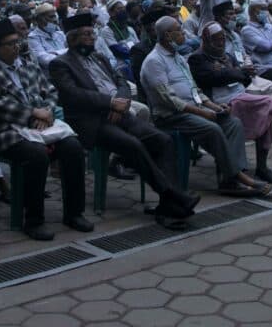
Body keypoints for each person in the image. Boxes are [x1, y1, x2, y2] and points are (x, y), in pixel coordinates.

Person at [49, 13, 199, 223]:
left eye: (93, 33)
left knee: (163, 140)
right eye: (86, 34)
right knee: (133, 145)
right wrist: (108, 103)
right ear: (73, 38)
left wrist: (121, 100)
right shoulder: (61, 64)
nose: (92, 38)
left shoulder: (99, 57)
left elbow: (121, 80)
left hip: (119, 113)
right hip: (91, 121)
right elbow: (73, 95)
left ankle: (168, 205)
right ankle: (173, 195)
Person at [0, 17, 92, 240]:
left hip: (42, 126)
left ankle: (74, 213)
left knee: (73, 148)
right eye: (10, 44)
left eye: (17, 42)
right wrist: (31, 113)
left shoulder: (28, 65)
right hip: (5, 132)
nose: (16, 47)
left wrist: (46, 112)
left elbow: (50, 91)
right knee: (37, 156)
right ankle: (33, 220)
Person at [140, 16, 270, 198]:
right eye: (179, 30)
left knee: (233, 123)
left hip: (193, 108)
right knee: (213, 129)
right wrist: (202, 112)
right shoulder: (154, 61)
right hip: (171, 116)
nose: (183, 33)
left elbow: (195, 90)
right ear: (168, 35)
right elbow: (171, 101)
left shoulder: (178, 58)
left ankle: (228, 180)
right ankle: (239, 177)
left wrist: (214, 107)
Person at [189, 22, 272, 183]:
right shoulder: (197, 58)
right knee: (270, 103)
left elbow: (245, 79)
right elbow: (212, 79)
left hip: (240, 95)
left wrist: (231, 72)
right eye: (216, 39)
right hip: (221, 102)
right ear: (207, 39)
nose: (221, 42)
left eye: (223, 38)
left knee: (268, 113)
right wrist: (234, 73)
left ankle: (264, 166)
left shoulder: (227, 56)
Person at [27, 3, 67, 68]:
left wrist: (55, 53)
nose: (55, 20)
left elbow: (74, 51)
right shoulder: (32, 37)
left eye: (55, 16)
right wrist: (67, 54)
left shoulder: (60, 34)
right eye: (51, 17)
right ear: (39, 19)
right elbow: (45, 61)